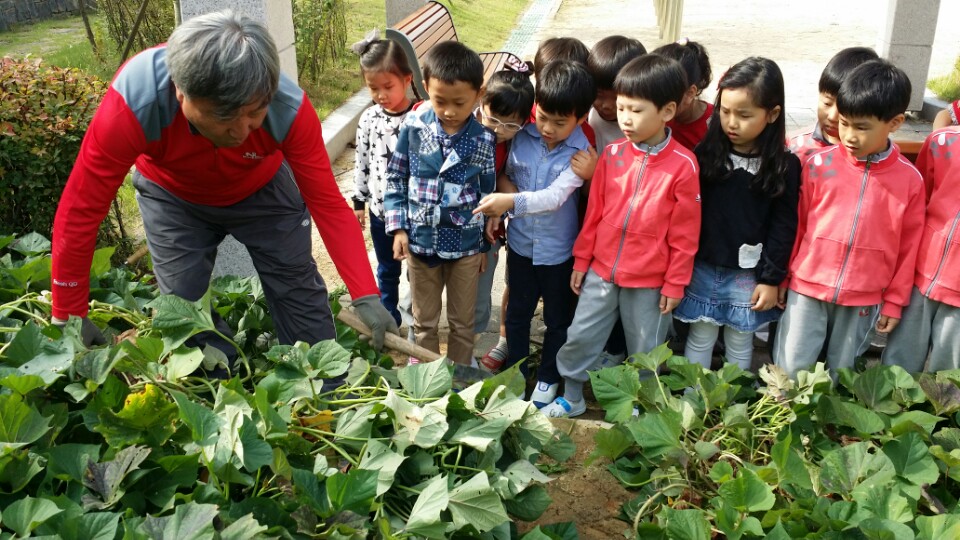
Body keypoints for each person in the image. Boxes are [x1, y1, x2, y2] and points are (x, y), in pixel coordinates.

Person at [50, 10, 397, 370]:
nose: (241, 131)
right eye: (224, 117)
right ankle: (222, 393)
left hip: (262, 192)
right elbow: (82, 206)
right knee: (184, 310)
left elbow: (326, 204)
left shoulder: (288, 109)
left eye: (254, 114)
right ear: (181, 92)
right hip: (172, 197)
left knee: (298, 293)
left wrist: (365, 293)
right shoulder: (135, 102)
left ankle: (321, 393)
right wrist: (68, 310)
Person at [541, 54, 701, 418]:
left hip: (651, 280)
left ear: (667, 111)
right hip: (601, 270)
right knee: (582, 334)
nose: (625, 119)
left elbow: (685, 234)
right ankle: (574, 395)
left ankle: (643, 406)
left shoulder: (684, 166)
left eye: (636, 110)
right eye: (622, 108)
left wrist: (675, 283)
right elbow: (594, 214)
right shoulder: (611, 155)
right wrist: (583, 260)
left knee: (646, 347)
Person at [774, 59, 925, 377]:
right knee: (790, 368)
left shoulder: (910, 181)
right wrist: (784, 278)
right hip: (807, 286)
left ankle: (833, 426)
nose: (849, 135)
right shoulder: (818, 165)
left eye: (862, 127)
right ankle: (781, 422)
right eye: (844, 123)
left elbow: (909, 247)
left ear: (895, 122)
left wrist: (895, 301)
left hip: (865, 295)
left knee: (841, 374)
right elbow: (798, 225)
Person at [474, 61, 595, 407]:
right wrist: (505, 203)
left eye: (560, 123)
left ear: (580, 119)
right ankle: (515, 372)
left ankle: (547, 376)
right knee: (517, 314)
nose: (548, 128)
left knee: (558, 318)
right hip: (523, 246)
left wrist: (509, 201)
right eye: (542, 117)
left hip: (559, 251)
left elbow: (556, 198)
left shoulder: (581, 152)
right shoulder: (521, 134)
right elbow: (505, 174)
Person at [673, 57, 800, 371]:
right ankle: (694, 397)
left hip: (748, 273)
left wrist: (772, 278)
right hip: (703, 265)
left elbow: (784, 225)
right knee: (701, 336)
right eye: (725, 112)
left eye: (744, 115)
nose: (731, 122)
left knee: (740, 339)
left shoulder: (783, 166)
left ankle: (733, 402)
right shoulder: (706, 155)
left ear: (772, 114)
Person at [384, 40, 496, 367]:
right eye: (439, 101)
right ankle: (426, 378)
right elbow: (395, 178)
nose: (448, 110)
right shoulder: (413, 128)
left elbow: (486, 194)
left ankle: (460, 379)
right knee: (424, 321)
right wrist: (399, 229)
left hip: (464, 246)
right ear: (425, 89)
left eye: (459, 102)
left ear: (479, 94)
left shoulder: (482, 139)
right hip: (421, 243)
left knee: (463, 323)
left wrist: (483, 244)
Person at [882, 126, 960, 372]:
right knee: (898, 368)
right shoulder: (942, 141)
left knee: (949, 378)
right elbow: (920, 200)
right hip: (920, 275)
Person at [351, 32, 415, 327]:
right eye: (373, 88)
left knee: (417, 270)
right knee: (386, 268)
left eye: (388, 86)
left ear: (407, 79)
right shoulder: (369, 119)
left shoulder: (419, 118)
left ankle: (418, 313)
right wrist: (359, 201)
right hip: (380, 212)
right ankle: (389, 316)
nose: (381, 95)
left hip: (415, 212)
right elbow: (361, 160)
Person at [473, 70, 536, 370]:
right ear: (481, 102)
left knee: (479, 293)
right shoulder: (466, 128)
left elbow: (503, 175)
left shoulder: (516, 141)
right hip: (459, 223)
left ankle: (470, 345)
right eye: (494, 119)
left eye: (511, 125)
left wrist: (508, 200)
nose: (500, 129)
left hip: (491, 227)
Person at [788, 47, 879, 161]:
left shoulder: (876, 153)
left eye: (842, 108)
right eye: (827, 103)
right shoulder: (794, 146)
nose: (832, 116)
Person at [587, 35, 646, 151]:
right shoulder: (587, 114)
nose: (607, 105)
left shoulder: (641, 129)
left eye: (616, 98)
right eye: (599, 95)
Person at [654, 39, 713, 151]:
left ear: (690, 93)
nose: (655, 100)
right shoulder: (652, 116)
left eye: (664, 93)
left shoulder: (716, 125)